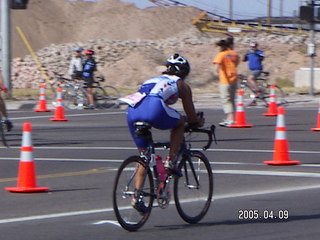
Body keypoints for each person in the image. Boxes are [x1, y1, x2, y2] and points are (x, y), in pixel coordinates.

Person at [120, 53, 204, 212]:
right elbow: (191, 115)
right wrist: (196, 121)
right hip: (153, 108)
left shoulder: (152, 79)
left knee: (144, 156)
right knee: (180, 123)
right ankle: (171, 161)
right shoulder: (181, 85)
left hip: (132, 110)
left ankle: (137, 195)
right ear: (183, 72)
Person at [212, 38, 239, 127]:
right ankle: (231, 118)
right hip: (234, 79)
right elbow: (236, 63)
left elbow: (217, 65)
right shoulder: (234, 54)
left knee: (225, 99)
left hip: (225, 80)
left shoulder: (221, 54)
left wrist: (216, 73)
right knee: (232, 99)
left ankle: (230, 119)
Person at [243, 41, 265, 106]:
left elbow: (262, 58)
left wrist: (255, 53)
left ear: (256, 46)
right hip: (252, 70)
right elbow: (244, 60)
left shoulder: (259, 52)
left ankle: (259, 92)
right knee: (253, 86)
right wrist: (246, 55)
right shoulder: (249, 53)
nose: (253, 48)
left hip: (258, 69)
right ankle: (254, 100)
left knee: (250, 78)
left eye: (254, 46)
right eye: (252, 47)